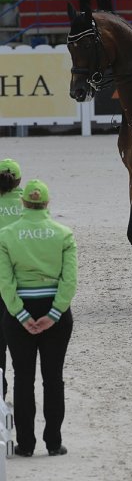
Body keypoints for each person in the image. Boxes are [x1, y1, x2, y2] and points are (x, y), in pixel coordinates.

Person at [0, 179, 78, 457]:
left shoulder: (6, 236)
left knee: (23, 379)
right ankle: (54, 442)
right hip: (54, 312)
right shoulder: (64, 234)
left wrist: (21, 314)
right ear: (47, 203)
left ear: (23, 203)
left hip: (19, 312)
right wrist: (54, 314)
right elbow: (69, 281)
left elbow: (5, 282)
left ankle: (26, 444)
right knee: (53, 378)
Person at [0, 158, 23, 398]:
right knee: (22, 347)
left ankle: (0, 392)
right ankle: (23, 393)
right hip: (23, 285)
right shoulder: (29, 202)